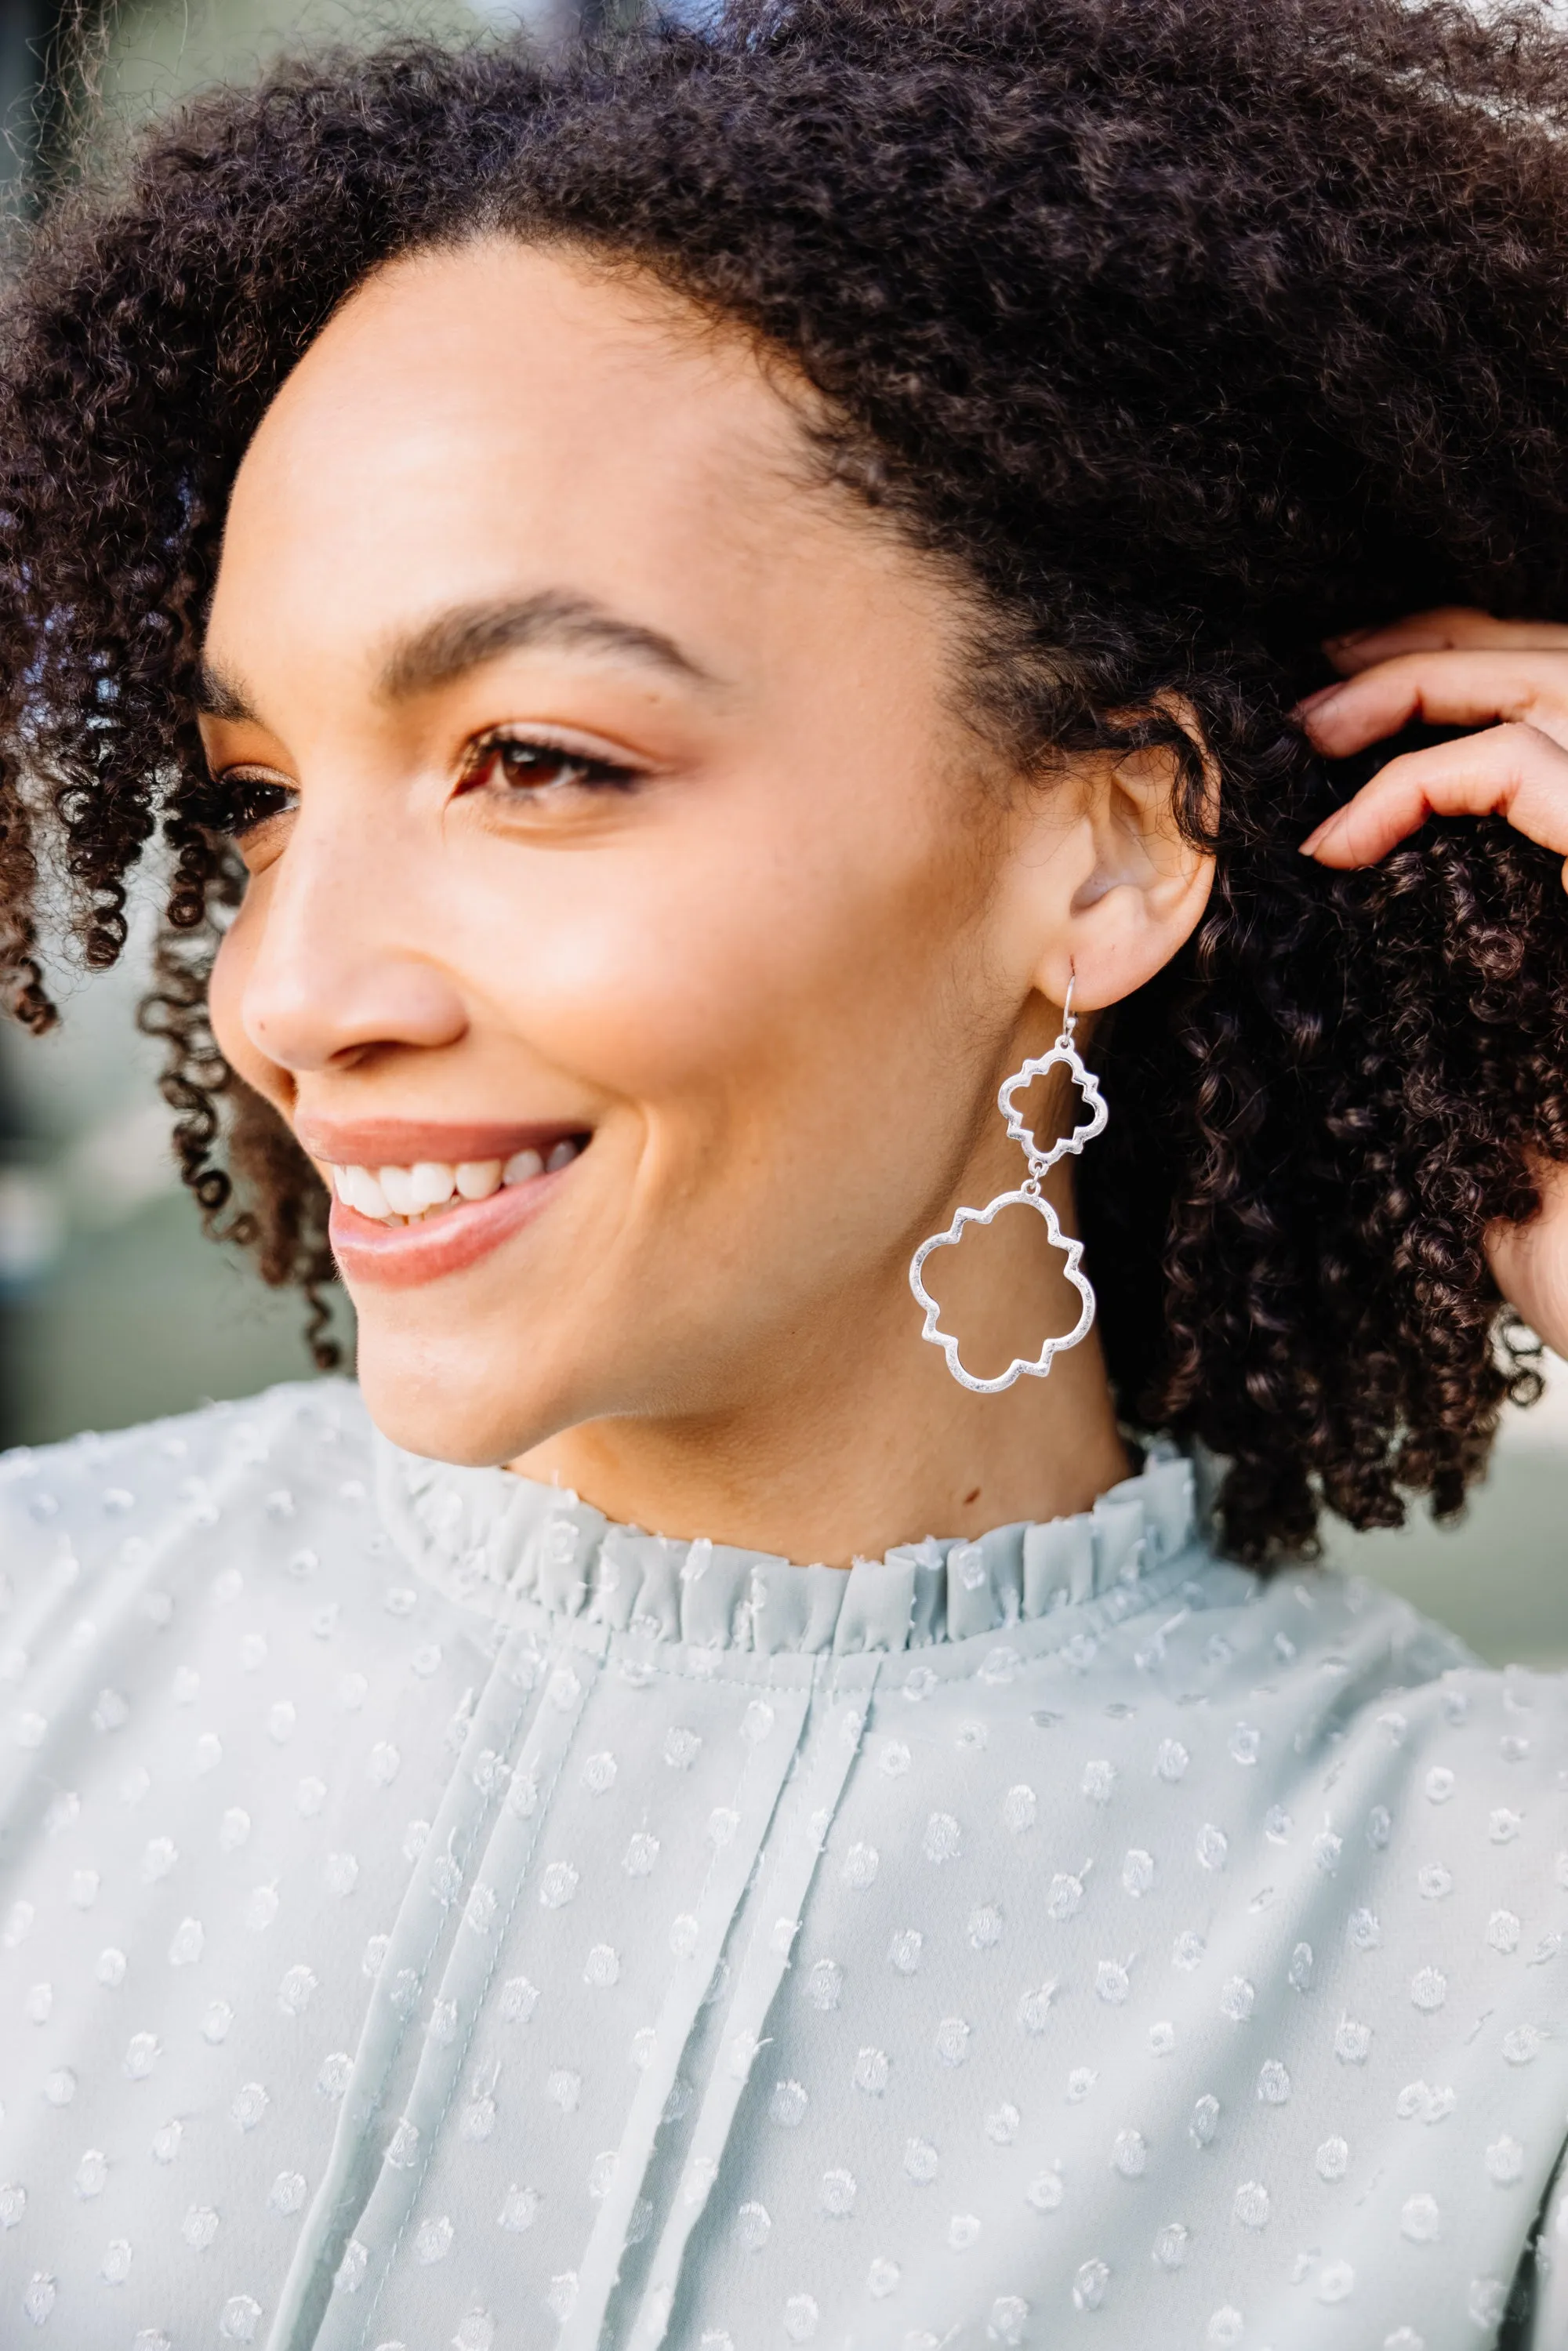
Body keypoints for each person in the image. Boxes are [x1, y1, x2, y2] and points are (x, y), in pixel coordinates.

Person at [3, 0, 1568, 2342]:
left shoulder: (1488, 1956)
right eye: (260, 795)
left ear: (1115, 844)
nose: (290, 990)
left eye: (532, 757)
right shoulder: (34, 1652)